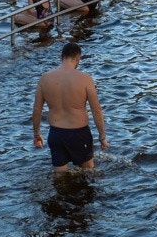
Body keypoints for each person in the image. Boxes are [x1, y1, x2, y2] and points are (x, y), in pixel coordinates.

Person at [31, 42, 108, 171]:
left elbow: (37, 109)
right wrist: (102, 137)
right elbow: (96, 110)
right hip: (79, 134)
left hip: (56, 134)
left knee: (60, 177)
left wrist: (36, 134)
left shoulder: (45, 78)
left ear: (61, 58)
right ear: (78, 58)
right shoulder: (85, 79)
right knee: (89, 173)